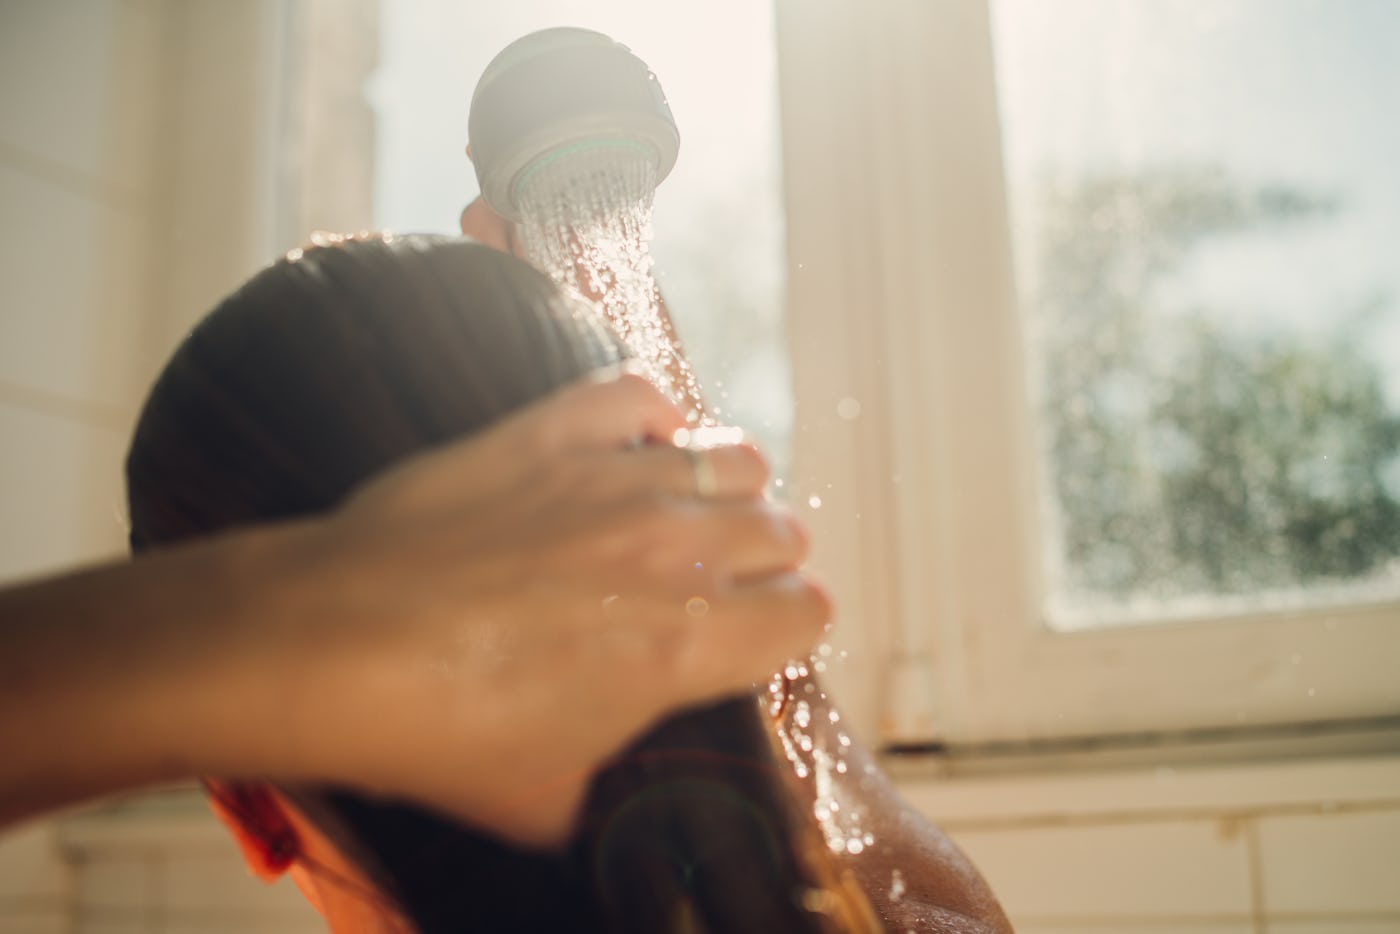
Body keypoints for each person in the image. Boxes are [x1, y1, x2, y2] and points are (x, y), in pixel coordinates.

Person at [120, 232, 1009, 932]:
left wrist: (236, 623)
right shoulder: (929, 923)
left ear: (249, 812)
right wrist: (641, 395)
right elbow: (820, 764)